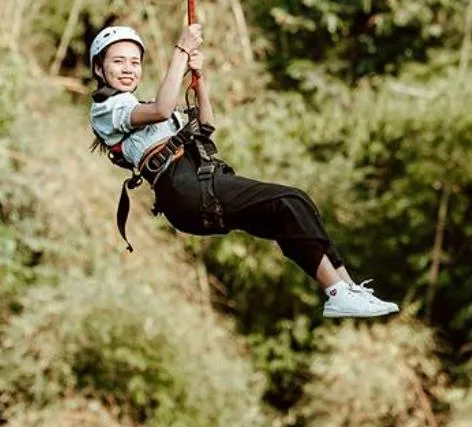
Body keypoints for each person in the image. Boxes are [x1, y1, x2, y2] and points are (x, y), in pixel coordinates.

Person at [87, 22, 398, 319]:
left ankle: (344, 288)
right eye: (118, 62)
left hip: (200, 179)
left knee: (293, 208)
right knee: (288, 201)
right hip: (183, 188)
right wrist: (181, 51)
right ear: (100, 69)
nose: (128, 69)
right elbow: (162, 109)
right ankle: (337, 292)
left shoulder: (141, 106)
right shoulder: (107, 109)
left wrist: (199, 78)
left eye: (134, 62)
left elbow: (205, 125)